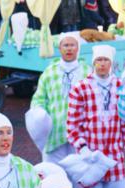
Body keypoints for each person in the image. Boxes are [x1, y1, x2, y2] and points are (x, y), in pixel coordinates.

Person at [67, 44, 125, 188]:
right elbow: (72, 124)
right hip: (91, 155)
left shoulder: (121, 87)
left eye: (106, 60)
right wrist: (82, 148)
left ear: (111, 63)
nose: (102, 64)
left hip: (114, 154)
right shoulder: (80, 88)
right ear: (93, 62)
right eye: (99, 60)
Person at [29, 32, 91, 165]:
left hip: (81, 135)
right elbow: (39, 98)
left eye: (72, 45)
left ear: (78, 48)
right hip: (55, 134)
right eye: (66, 45)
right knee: (53, 173)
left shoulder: (87, 72)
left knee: (79, 174)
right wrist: (39, 112)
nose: (69, 49)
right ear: (60, 48)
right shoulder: (49, 72)